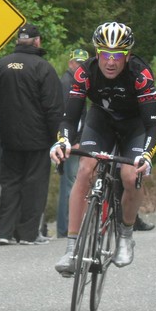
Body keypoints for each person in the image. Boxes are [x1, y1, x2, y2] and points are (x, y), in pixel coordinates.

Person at [51, 22, 156, 274]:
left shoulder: (140, 74)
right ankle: (71, 248)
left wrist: (146, 155)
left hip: (134, 127)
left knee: (131, 175)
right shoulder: (85, 72)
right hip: (101, 122)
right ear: (97, 53)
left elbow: (153, 126)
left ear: (128, 56)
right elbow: (68, 119)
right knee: (85, 168)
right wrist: (63, 140)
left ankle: (125, 235)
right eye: (105, 54)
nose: (110, 62)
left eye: (118, 56)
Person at [0, 23, 63, 245]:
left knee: (9, 184)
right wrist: (55, 139)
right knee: (34, 184)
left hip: (9, 138)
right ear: (37, 41)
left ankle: (4, 232)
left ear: (18, 41)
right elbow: (53, 108)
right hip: (37, 139)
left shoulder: (2, 65)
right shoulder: (43, 68)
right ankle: (28, 234)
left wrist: (7, 120)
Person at [56, 48, 89, 238]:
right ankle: (67, 228)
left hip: (73, 140)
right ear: (70, 63)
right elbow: (68, 116)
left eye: (83, 64)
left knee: (70, 183)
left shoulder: (77, 82)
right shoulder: (68, 83)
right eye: (77, 63)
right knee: (70, 184)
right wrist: (73, 141)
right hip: (70, 142)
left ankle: (66, 227)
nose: (80, 67)